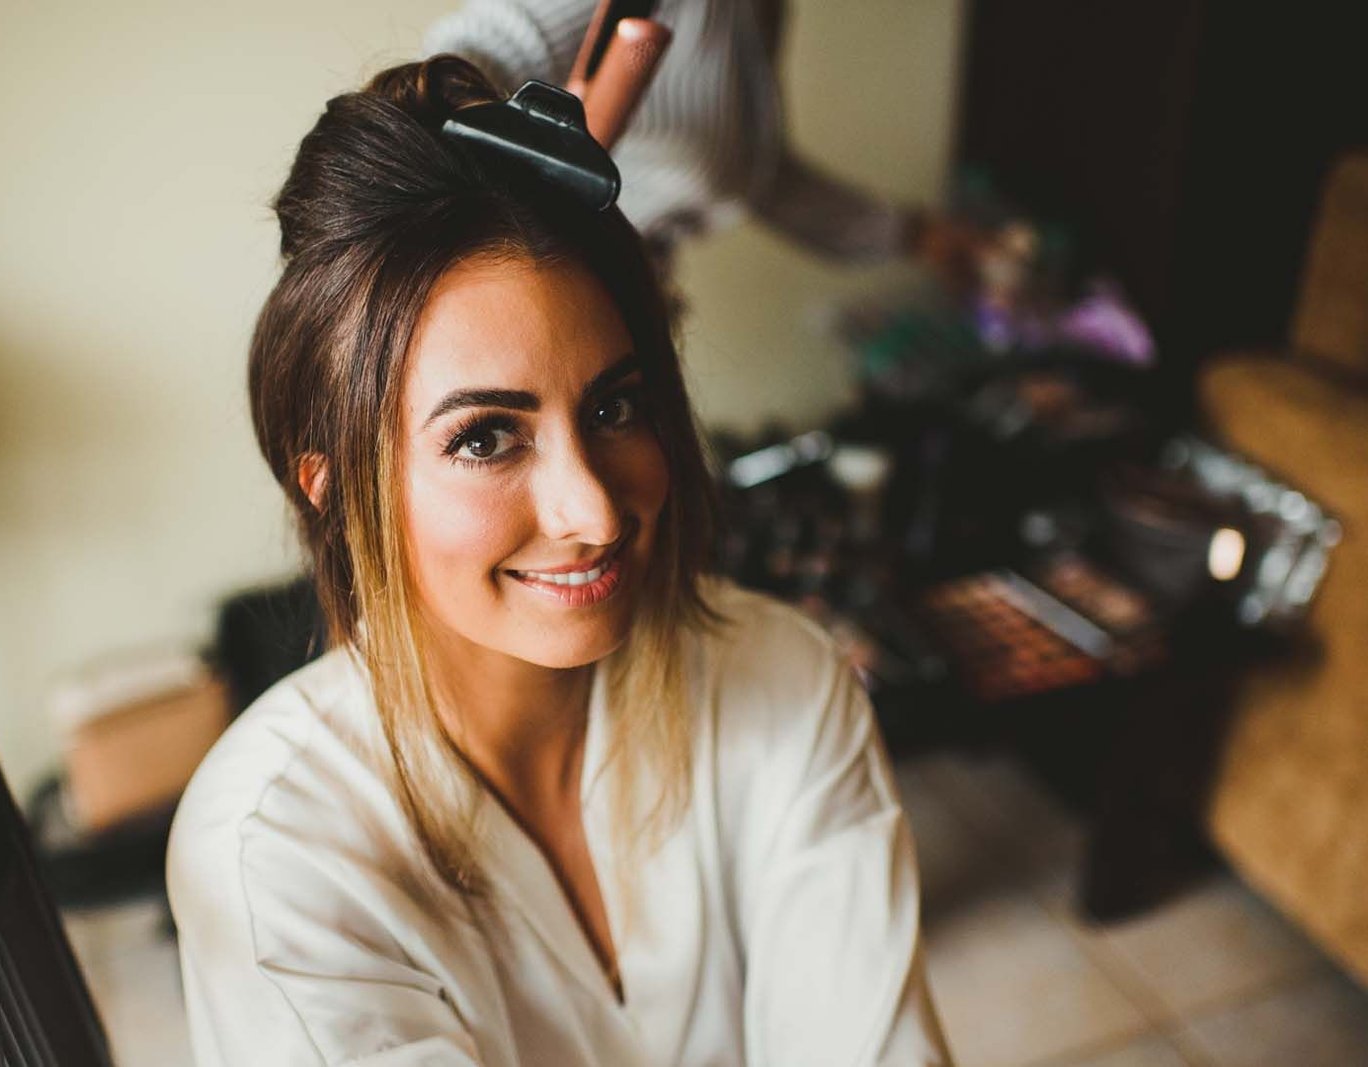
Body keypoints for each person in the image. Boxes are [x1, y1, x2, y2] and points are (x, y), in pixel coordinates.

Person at [167, 55, 951, 1066]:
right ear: (330, 489)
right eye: (485, 437)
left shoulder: (784, 685)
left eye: (614, 407)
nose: (594, 512)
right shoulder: (273, 850)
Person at [424, 0, 967, 275]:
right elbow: (469, 56)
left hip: (640, 287)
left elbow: (755, 170)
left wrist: (915, 237)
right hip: (570, 285)